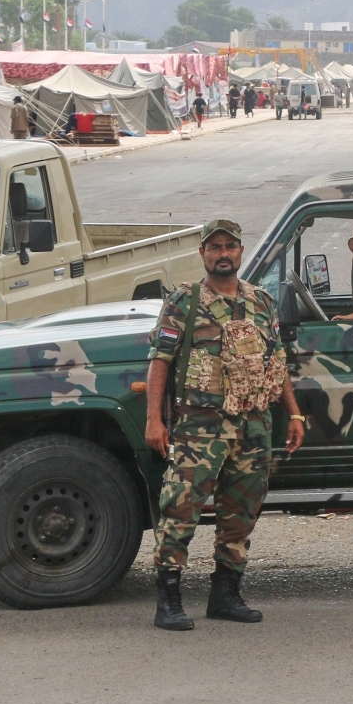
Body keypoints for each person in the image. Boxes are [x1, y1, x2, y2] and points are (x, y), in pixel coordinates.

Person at [144, 219, 307, 632]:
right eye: (214, 246)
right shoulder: (185, 300)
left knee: (242, 513)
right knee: (180, 510)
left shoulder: (262, 302)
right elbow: (160, 360)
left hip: (252, 425)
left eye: (229, 246)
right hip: (200, 426)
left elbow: (277, 362)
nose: (222, 253)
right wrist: (154, 420)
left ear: (239, 251)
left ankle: (225, 595)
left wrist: (294, 413)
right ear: (203, 253)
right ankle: (169, 600)